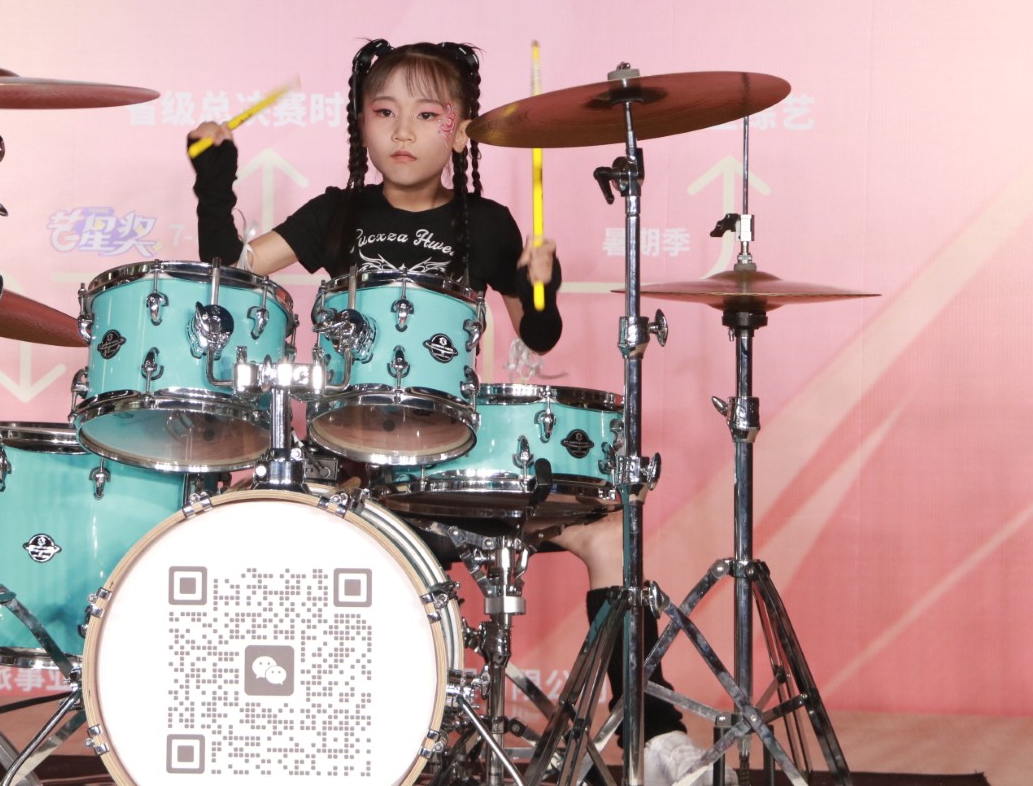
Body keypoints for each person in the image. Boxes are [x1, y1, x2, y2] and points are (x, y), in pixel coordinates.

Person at [186, 38, 731, 786]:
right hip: (354, 469)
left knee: (611, 531)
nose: (403, 132)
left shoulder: (489, 222)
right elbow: (227, 275)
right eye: (384, 113)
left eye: (426, 115)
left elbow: (539, 334)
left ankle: (654, 735)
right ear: (360, 124)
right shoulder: (335, 214)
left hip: (451, 463)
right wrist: (213, 181)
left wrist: (541, 285)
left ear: (461, 131)